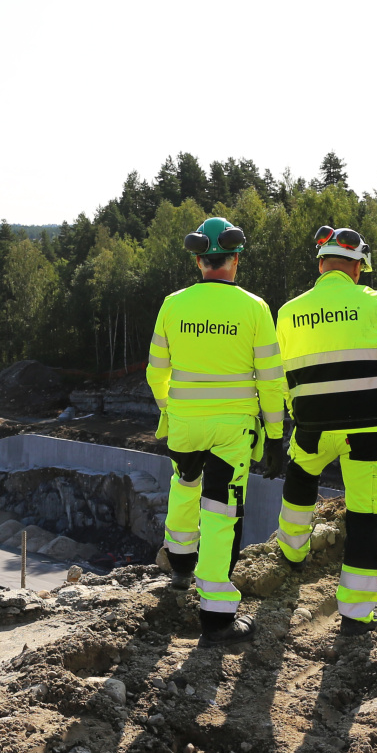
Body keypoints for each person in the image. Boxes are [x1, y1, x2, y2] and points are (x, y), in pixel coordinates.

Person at [146, 217, 288, 646]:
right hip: (233, 428)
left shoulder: (173, 304)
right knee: (222, 510)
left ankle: (180, 565)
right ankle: (217, 617)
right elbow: (271, 379)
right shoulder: (254, 308)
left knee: (185, 485)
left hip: (185, 423)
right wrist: (277, 435)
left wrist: (171, 407)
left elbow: (156, 372)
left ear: (198, 260)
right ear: (235, 259)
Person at [273, 226, 377, 635]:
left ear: (320, 264)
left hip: (311, 423)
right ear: (359, 267)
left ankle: (292, 551)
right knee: (365, 516)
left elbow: (279, 372)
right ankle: (357, 613)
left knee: (299, 479)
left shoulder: (290, 311)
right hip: (366, 428)